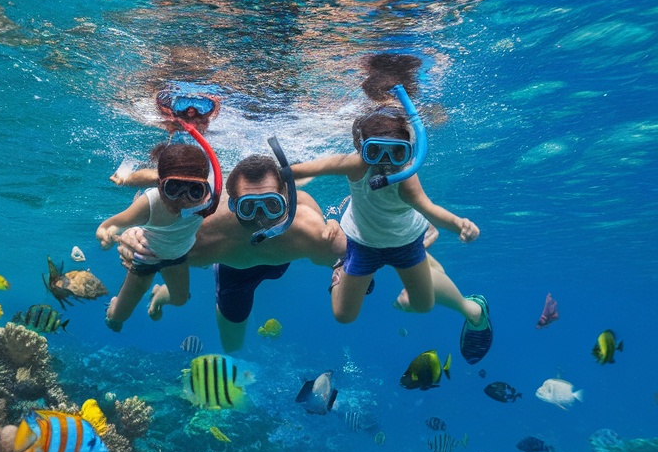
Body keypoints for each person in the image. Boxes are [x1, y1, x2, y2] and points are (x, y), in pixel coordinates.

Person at [290, 105, 493, 362]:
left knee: (422, 305)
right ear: (361, 148)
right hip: (363, 245)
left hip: (405, 244)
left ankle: (432, 277)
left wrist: (459, 224)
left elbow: (429, 208)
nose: (384, 163)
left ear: (407, 154)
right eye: (375, 152)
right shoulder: (356, 166)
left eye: (396, 153)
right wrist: (280, 173)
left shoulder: (406, 178)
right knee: (343, 316)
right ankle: (339, 268)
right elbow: (308, 169)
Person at [113, 151, 347, 353]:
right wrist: (131, 234)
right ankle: (160, 296)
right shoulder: (201, 226)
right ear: (233, 205)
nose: (260, 217)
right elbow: (152, 212)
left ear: (286, 200)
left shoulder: (308, 228)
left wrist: (342, 269)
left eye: (272, 205)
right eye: (248, 207)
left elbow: (349, 259)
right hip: (234, 272)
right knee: (232, 346)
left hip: (276, 264)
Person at [96, 142, 213, 331]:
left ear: (205, 187)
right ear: (159, 185)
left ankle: (158, 295)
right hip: (145, 258)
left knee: (180, 300)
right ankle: (113, 305)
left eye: (194, 190)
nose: (182, 200)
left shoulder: (209, 199)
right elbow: (107, 226)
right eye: (173, 188)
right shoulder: (149, 204)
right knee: (118, 317)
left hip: (176, 257)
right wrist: (106, 236)